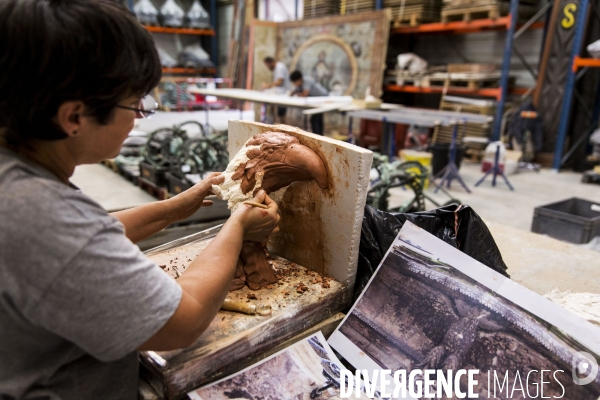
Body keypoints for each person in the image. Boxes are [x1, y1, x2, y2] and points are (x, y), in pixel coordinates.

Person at [0, 1, 279, 399]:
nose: (138, 118)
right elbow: (183, 321)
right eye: (136, 105)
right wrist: (236, 226)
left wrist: (179, 205)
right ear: (74, 117)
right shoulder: (39, 215)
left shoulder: (16, 178)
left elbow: (92, 238)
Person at [290, 70, 328, 136]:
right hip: (316, 100)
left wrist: (296, 93)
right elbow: (296, 91)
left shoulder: (307, 81)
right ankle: (319, 135)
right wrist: (294, 92)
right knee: (317, 119)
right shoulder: (300, 83)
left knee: (315, 119)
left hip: (322, 98)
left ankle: (317, 137)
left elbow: (305, 94)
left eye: (295, 82)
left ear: (299, 79)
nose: (295, 84)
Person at [262, 56, 291, 124]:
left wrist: (267, 86)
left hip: (283, 95)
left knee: (281, 114)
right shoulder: (278, 67)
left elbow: (279, 82)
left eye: (268, 65)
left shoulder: (279, 67)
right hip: (281, 94)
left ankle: (284, 131)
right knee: (280, 114)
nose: (267, 67)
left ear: (271, 62)